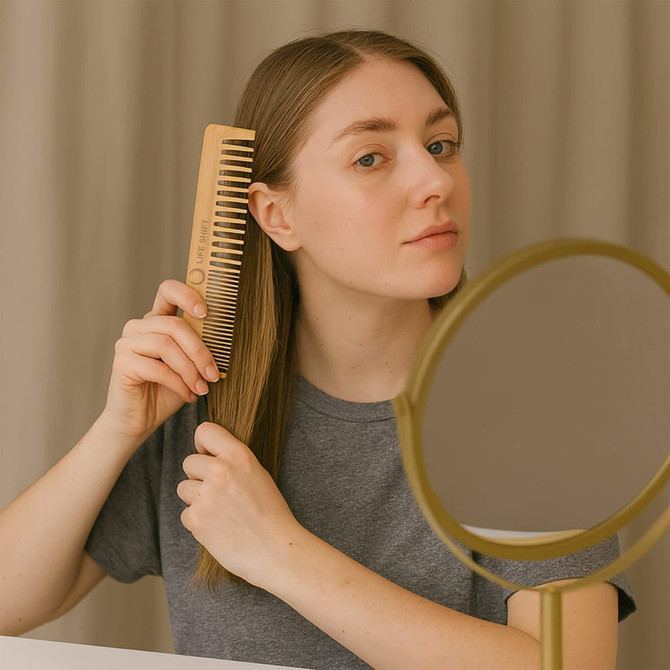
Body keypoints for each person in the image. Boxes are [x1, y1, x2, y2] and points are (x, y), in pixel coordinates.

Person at [0, 30, 634, 669]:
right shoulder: (202, 408)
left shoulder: (537, 425)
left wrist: (285, 557)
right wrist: (118, 431)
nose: (434, 178)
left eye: (441, 145)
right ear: (277, 216)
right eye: (370, 157)